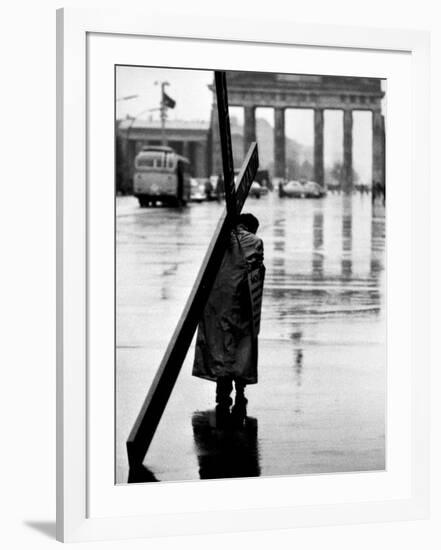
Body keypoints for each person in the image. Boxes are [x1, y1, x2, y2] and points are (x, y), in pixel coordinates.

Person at [192, 213, 265, 423]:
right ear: (252, 228)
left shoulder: (220, 239)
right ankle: (240, 387)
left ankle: (222, 390)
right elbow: (256, 271)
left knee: (219, 345)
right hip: (242, 303)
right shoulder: (254, 242)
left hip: (216, 301)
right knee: (243, 345)